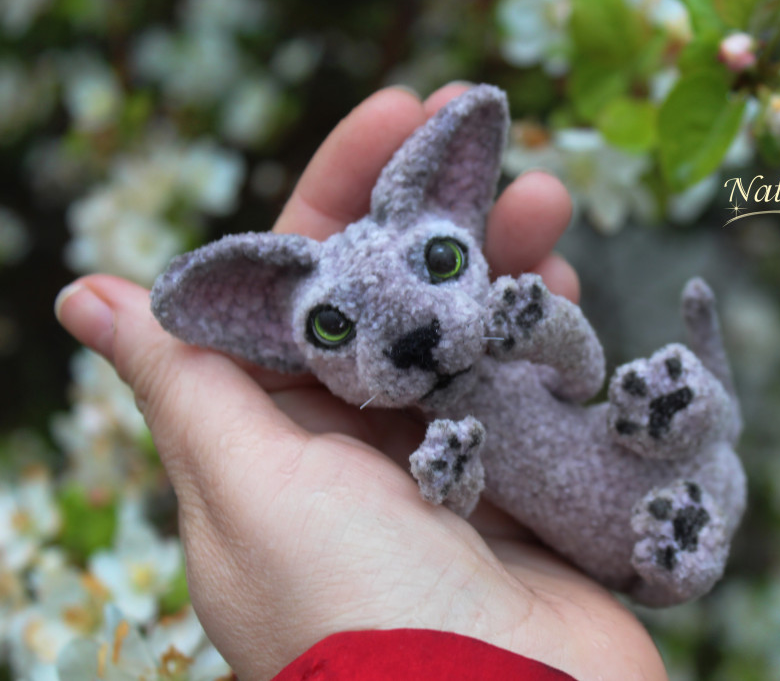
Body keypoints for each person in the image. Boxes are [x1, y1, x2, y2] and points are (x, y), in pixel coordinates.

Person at [54, 83, 670, 681]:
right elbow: (463, 508)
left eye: (440, 262)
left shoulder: (509, 355)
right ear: (278, 336)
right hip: (612, 565)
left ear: (460, 219)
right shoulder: (442, 430)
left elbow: (585, 379)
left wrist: (548, 327)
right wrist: (451, 475)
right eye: (331, 327)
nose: (415, 336)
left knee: (662, 417)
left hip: (647, 464)